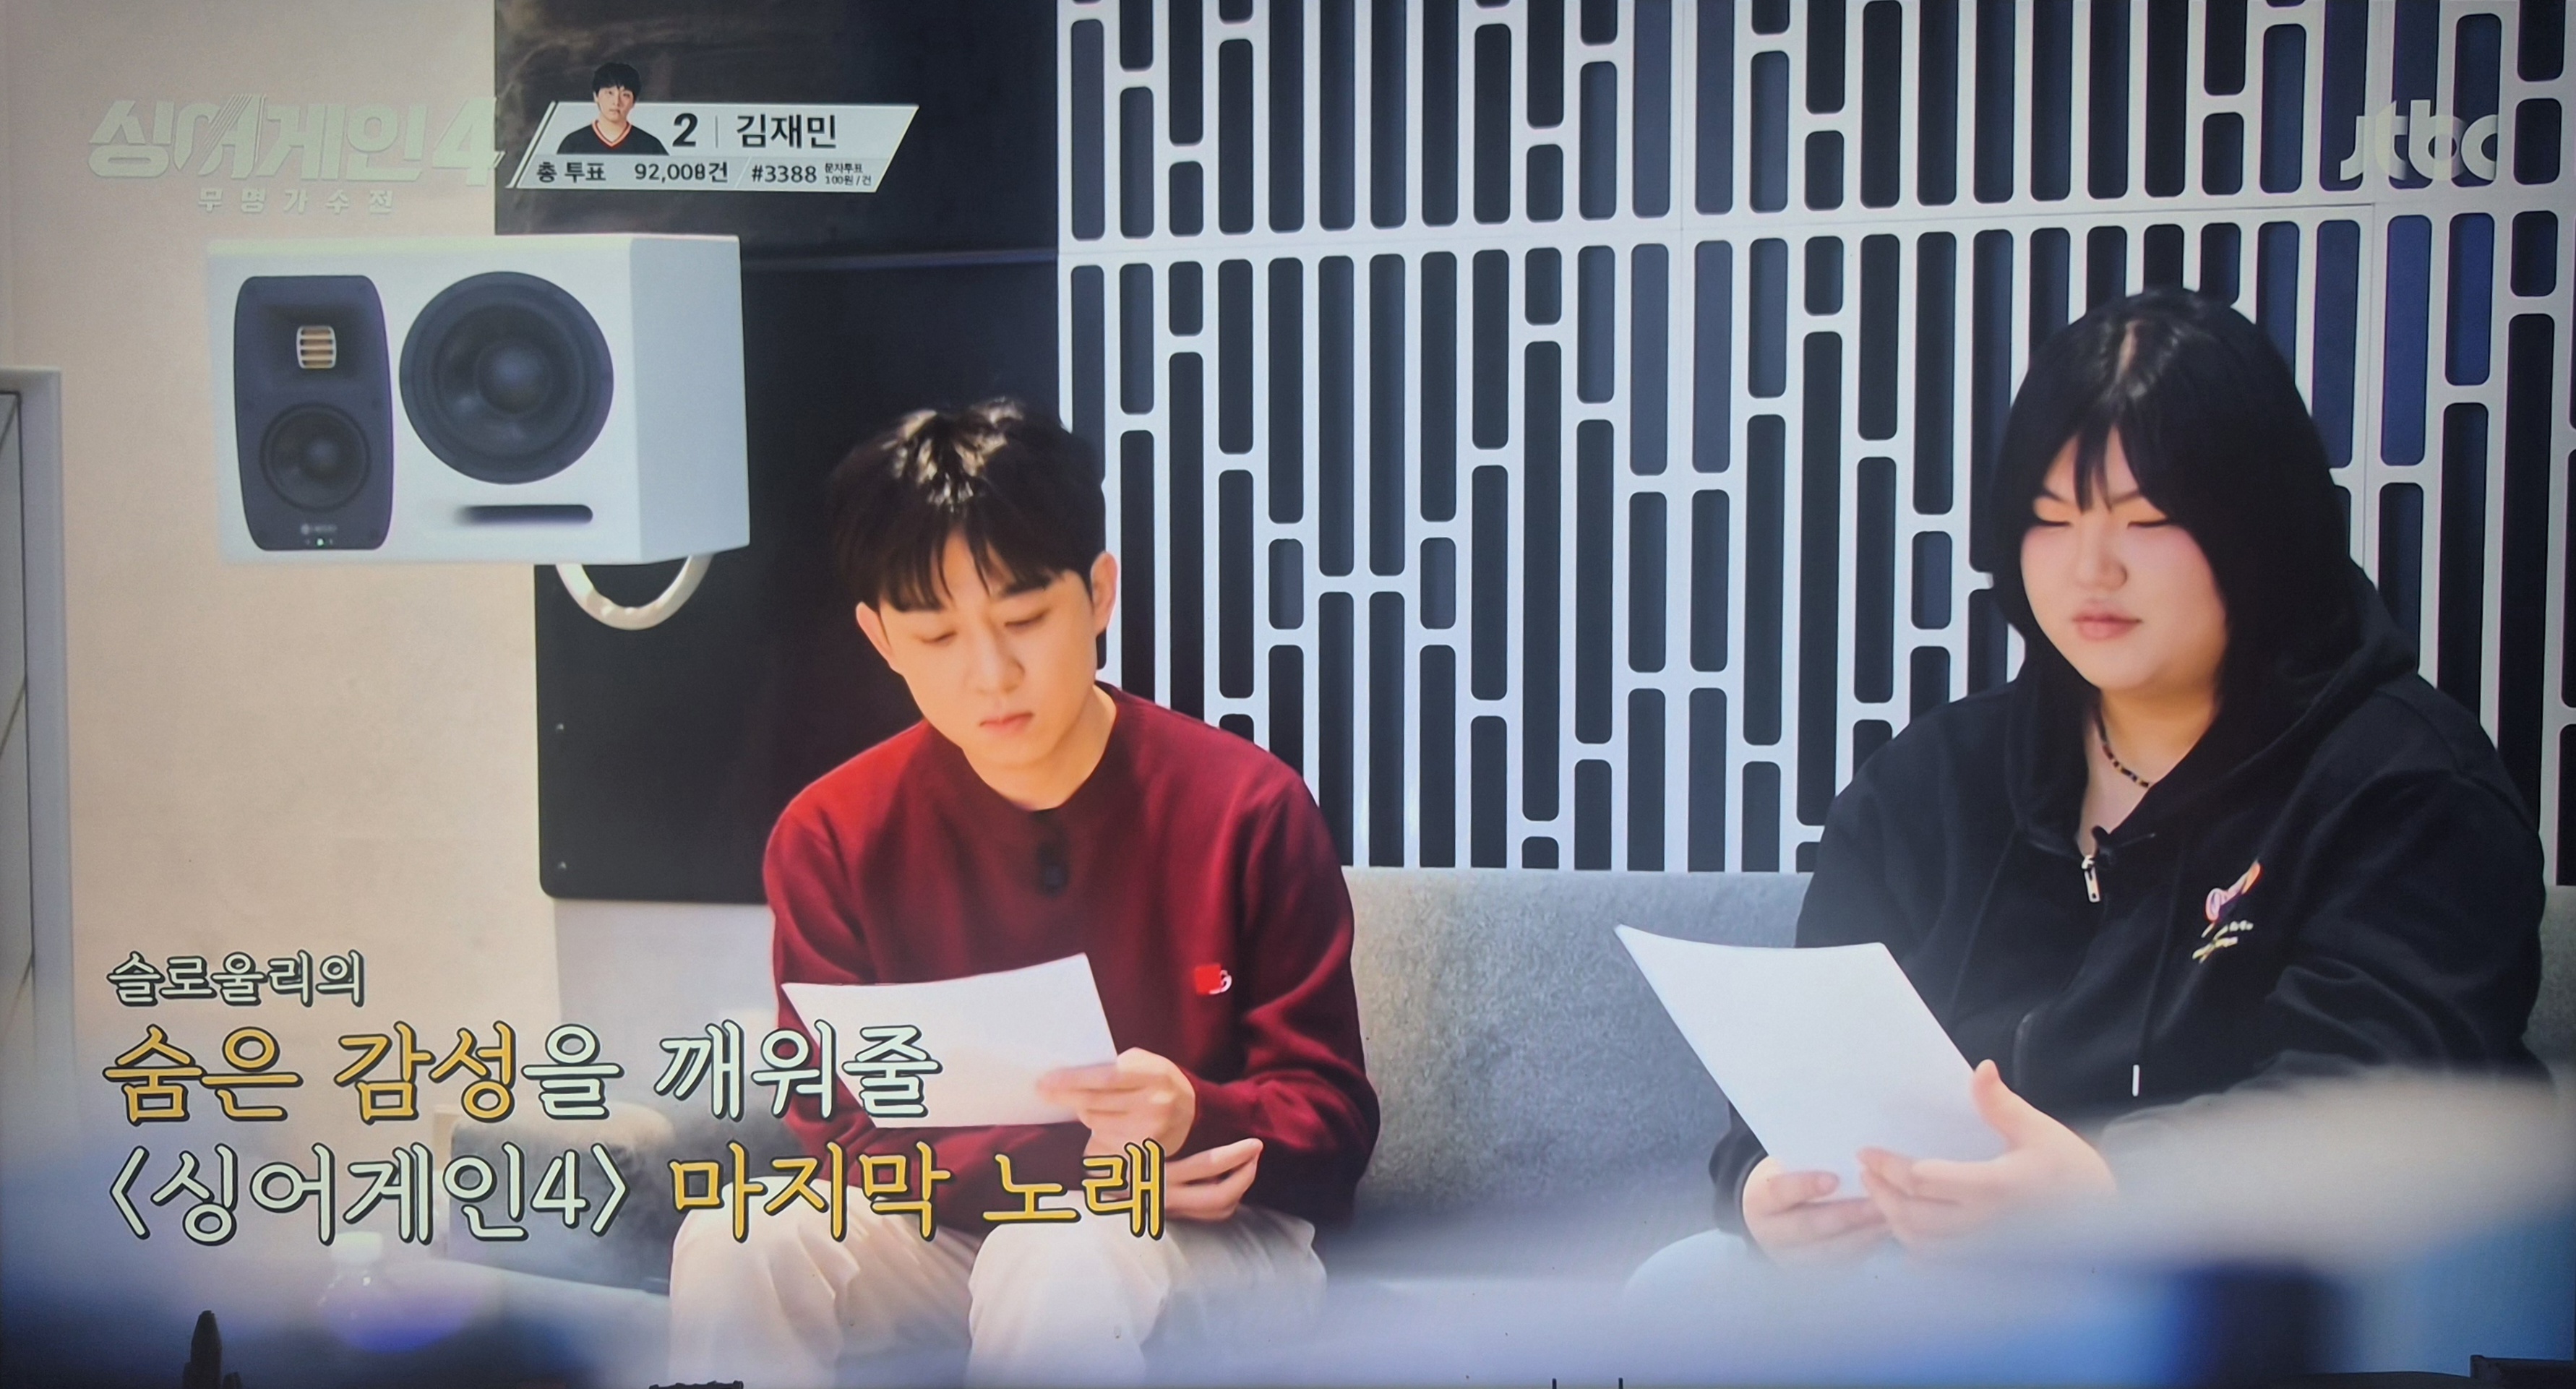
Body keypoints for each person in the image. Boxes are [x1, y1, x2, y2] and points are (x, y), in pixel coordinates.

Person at [1691, 288, 2543, 1265]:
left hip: (2269, 1291)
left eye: (2146, 520)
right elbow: (1800, 1071)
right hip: (1933, 1279)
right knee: (1690, 1281)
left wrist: (2115, 1189)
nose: (2091, 568)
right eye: (2051, 519)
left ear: (2264, 529)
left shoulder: (2406, 785)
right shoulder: (1929, 784)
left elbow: (2384, 1108)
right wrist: (1766, 1184)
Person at [665, 400, 1378, 1388]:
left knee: (1060, 1253)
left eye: (1024, 620)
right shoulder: (832, 835)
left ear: (1099, 593)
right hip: (952, 1226)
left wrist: (1194, 1113)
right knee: (737, 1235)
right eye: (937, 634)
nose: (991, 674)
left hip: (1205, 1233)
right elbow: (843, 1129)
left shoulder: (1246, 807)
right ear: (881, 638)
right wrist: (1085, 1160)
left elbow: (1332, 1120)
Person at [556, 61, 666, 155]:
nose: (616, 102)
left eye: (625, 95)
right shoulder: (573, 144)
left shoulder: (650, 146)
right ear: (596, 96)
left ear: (634, 102)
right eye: (610, 93)